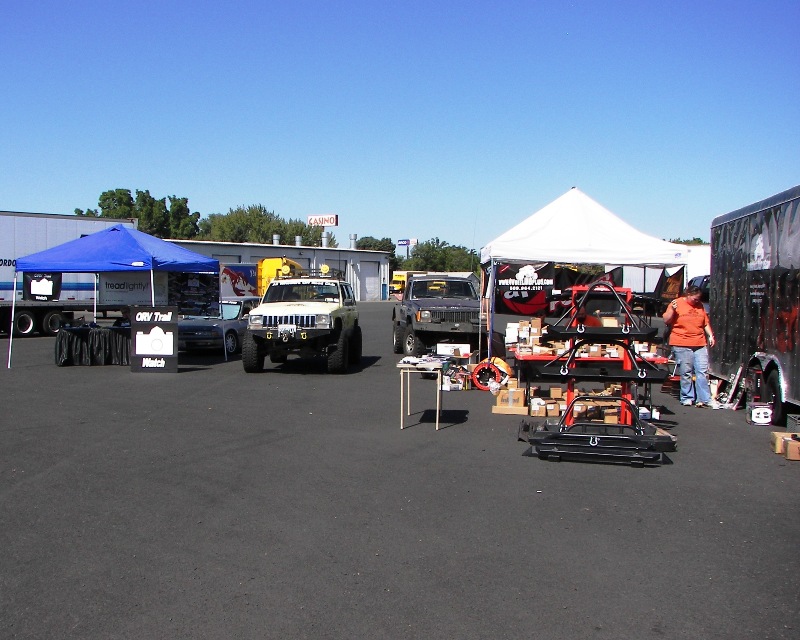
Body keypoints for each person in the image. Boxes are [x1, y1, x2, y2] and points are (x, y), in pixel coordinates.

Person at [662, 285, 719, 408]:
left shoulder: (700, 306)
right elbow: (666, 320)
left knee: (702, 371)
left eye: (698, 299)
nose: (697, 301)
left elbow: (705, 323)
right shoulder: (676, 303)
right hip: (682, 342)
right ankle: (687, 397)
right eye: (695, 299)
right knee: (686, 371)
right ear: (687, 295)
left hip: (699, 342)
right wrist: (672, 309)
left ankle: (705, 398)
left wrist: (710, 336)